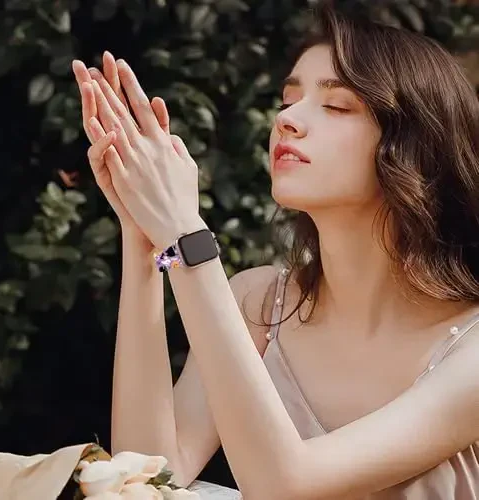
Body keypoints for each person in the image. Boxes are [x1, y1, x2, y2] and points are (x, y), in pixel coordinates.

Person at [72, 3, 479, 499]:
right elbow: (146, 478)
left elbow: (287, 484)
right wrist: (144, 241)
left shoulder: (471, 350)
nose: (287, 119)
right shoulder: (262, 304)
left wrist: (186, 236)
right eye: (288, 99)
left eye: (337, 106)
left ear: (414, 147)